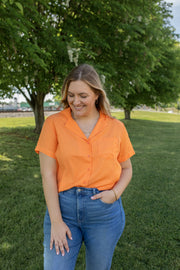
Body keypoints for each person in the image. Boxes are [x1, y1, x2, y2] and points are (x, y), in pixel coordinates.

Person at [35, 63, 135, 270]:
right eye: (71, 95)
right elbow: (47, 174)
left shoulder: (116, 128)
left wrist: (115, 193)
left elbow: (127, 168)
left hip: (104, 214)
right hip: (64, 210)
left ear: (97, 94)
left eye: (83, 95)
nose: (75, 102)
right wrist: (56, 221)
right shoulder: (53, 124)